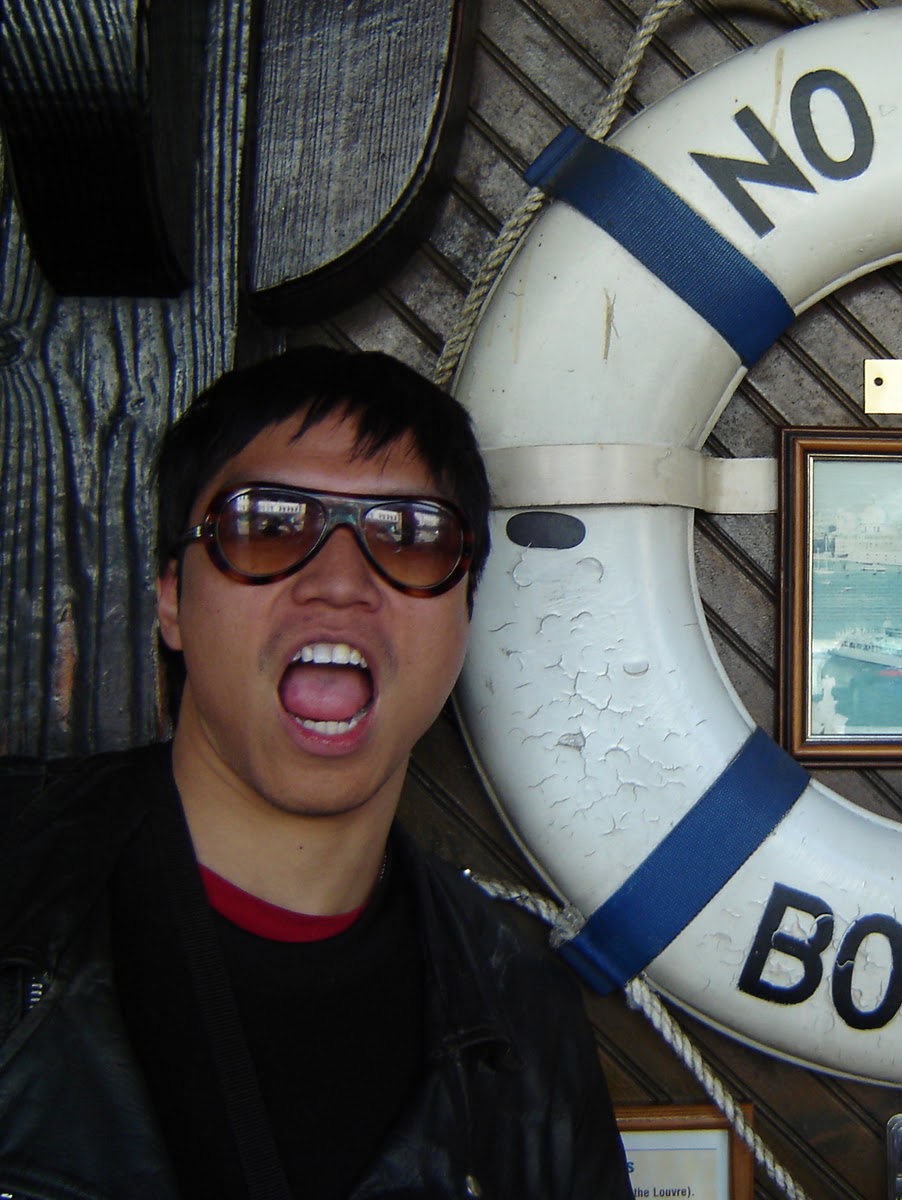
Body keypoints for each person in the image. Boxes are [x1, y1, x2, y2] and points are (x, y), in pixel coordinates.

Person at [0, 347, 634, 1199]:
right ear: (172, 599)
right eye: (267, 525)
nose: (339, 583)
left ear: (466, 614)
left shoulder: (525, 1028)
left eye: (409, 536)